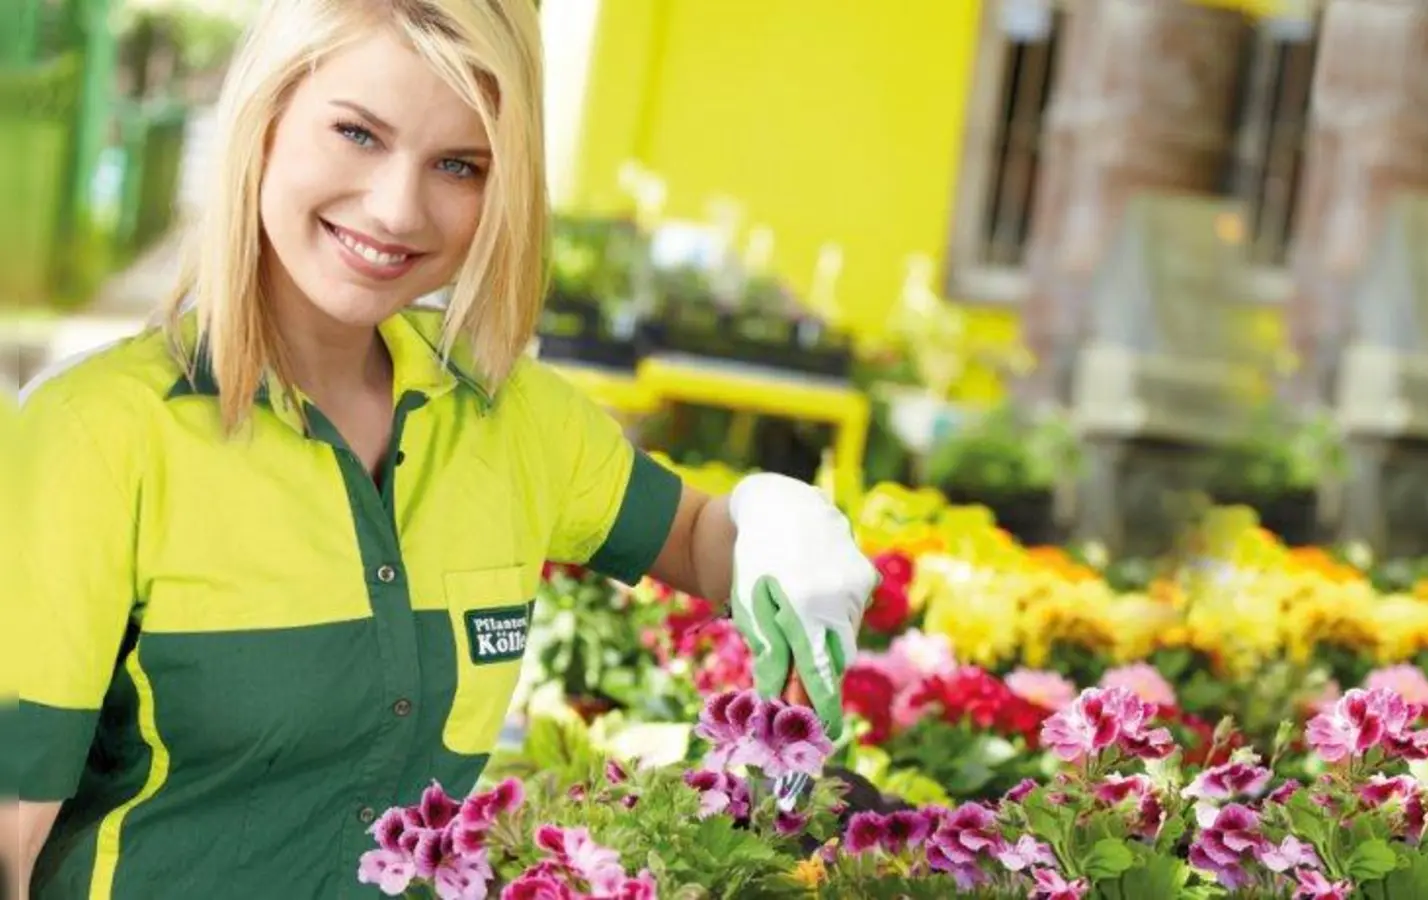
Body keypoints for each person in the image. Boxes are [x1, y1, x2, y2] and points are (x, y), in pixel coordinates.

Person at [9, 1, 877, 897]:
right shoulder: (97, 436)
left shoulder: (509, 415)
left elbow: (695, 537)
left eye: (459, 165)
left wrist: (777, 520)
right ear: (263, 119)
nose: (397, 209)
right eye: (357, 133)